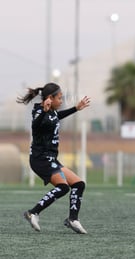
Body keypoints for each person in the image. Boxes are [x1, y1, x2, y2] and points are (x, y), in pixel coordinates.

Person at [17, 82, 90, 234]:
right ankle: (33, 213)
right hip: (40, 159)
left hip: (51, 159)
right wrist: (44, 111)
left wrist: (76, 108)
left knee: (78, 184)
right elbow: (36, 127)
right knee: (63, 187)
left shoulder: (53, 112)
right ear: (50, 98)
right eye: (60, 98)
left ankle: (73, 219)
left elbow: (57, 116)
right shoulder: (39, 110)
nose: (61, 101)